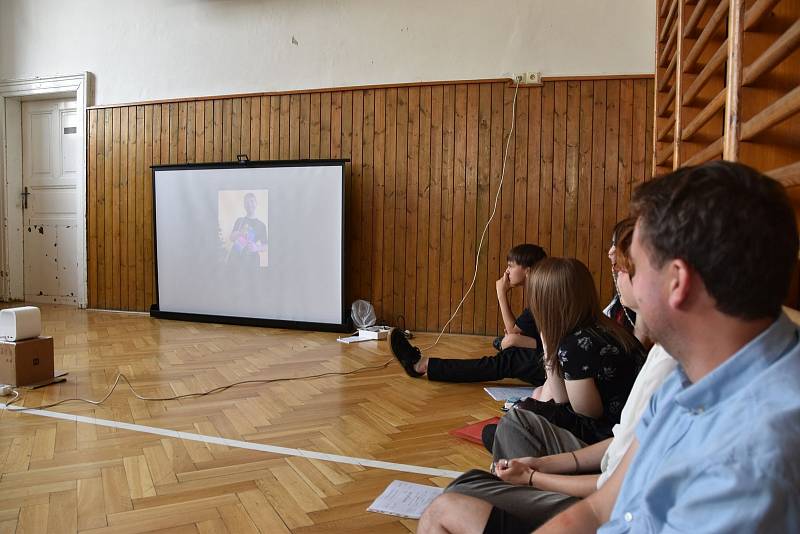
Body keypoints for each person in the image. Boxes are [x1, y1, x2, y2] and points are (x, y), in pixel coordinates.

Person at [537, 161, 800, 533]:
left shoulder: (750, 463)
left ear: (677, 282)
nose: (629, 285)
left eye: (637, 269)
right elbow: (598, 510)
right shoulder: (691, 371)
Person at [418, 219, 676, 533]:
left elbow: (583, 410)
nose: (616, 276)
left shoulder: (582, 346)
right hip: (602, 455)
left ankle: (507, 474)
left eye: (623, 270)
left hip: (595, 459)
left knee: (513, 422)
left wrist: (533, 476)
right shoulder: (614, 333)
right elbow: (620, 444)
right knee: (504, 432)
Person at [390, 244, 548, 385]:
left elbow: (514, 330)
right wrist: (515, 339)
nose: (507, 271)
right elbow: (524, 333)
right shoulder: (541, 294)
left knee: (504, 361)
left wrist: (501, 293)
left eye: (510, 266)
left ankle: (421, 365)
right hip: (551, 356)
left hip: (552, 368)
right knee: (503, 344)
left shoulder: (542, 299)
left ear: (528, 271)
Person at [228, 192, 267, 270]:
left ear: (256, 203)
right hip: (235, 261)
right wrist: (239, 233)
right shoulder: (239, 220)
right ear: (244, 205)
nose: (249, 204)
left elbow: (266, 246)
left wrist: (256, 248)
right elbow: (231, 238)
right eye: (246, 202)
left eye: (252, 201)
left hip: (252, 263)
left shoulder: (262, 225)